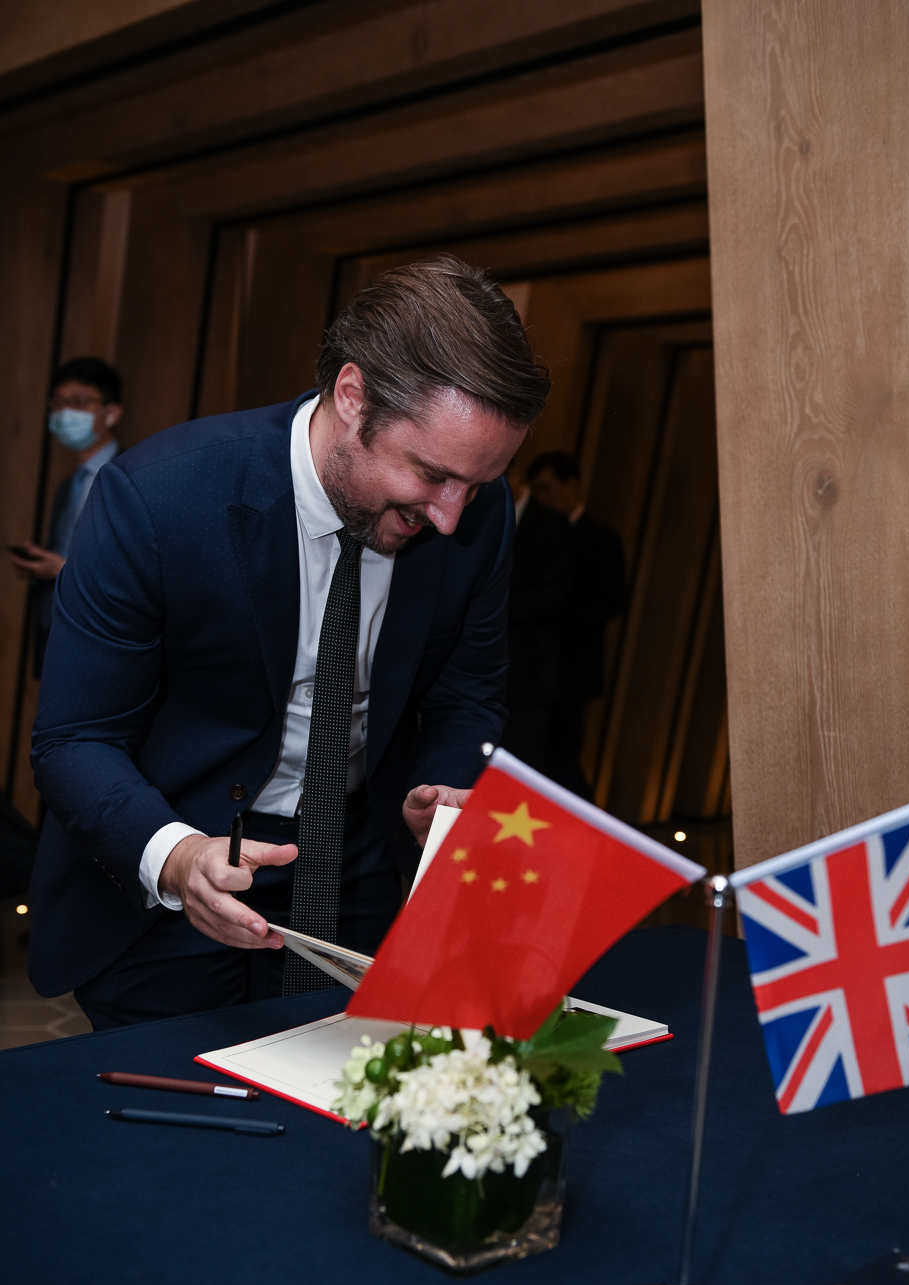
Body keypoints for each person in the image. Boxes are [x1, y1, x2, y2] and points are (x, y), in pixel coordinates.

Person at [29, 256, 549, 1028]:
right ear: (353, 396)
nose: (451, 516)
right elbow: (74, 738)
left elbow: (467, 690)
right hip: (175, 860)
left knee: (342, 1093)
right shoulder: (160, 499)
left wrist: (440, 787)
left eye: (476, 484)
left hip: (360, 862)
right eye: (432, 474)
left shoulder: (481, 511)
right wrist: (177, 856)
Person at [10, 357, 123, 676]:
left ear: (112, 413)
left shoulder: (126, 479)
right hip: (55, 627)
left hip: (99, 637)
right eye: (58, 403)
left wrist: (61, 569)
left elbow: (127, 570)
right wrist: (42, 566)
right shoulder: (68, 486)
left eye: (80, 403)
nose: (65, 413)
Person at [527, 452, 626, 799]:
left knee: (563, 759)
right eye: (535, 490)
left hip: (572, 667)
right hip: (533, 669)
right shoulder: (535, 532)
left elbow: (612, 600)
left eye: (546, 488)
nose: (540, 498)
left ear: (570, 485)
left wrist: (558, 607)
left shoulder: (601, 537)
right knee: (532, 755)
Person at [500, 455, 571, 772]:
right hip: (482, 671)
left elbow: (557, 595)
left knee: (518, 767)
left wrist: (493, 607)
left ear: (514, 476)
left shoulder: (552, 524)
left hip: (528, 674)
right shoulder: (479, 515)